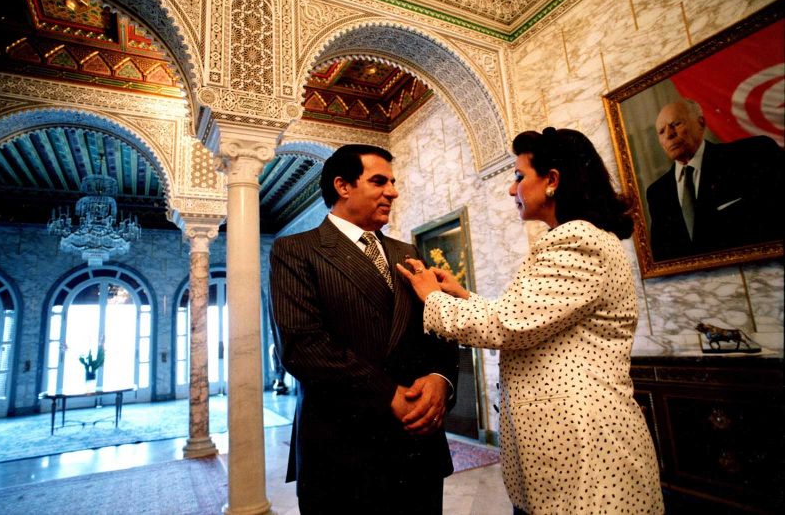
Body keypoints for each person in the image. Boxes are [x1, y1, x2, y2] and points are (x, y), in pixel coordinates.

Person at [397, 128, 664, 514]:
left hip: (588, 450)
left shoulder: (577, 240)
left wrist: (432, 297)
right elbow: (536, 319)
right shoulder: (578, 238)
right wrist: (464, 296)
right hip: (571, 446)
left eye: (520, 176)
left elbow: (507, 324)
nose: (511, 189)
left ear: (552, 180)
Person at [269, 144, 459, 515]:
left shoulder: (407, 251)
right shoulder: (297, 250)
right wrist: (388, 393)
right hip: (342, 450)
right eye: (379, 181)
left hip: (417, 445)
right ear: (342, 186)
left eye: (393, 181)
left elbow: (441, 324)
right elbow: (303, 347)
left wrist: (440, 379)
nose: (393, 191)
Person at [647, 99, 783, 261]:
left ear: (701, 123)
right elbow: (662, 258)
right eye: (661, 132)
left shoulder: (752, 155)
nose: (669, 134)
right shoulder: (657, 193)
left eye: (676, 124)